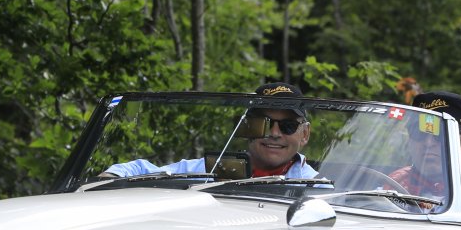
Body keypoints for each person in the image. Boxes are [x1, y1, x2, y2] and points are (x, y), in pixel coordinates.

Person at [104, 82, 320, 179]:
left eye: (288, 126)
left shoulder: (318, 189)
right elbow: (139, 171)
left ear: (305, 134)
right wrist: (111, 176)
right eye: (265, 122)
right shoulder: (210, 169)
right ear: (246, 127)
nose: (274, 133)